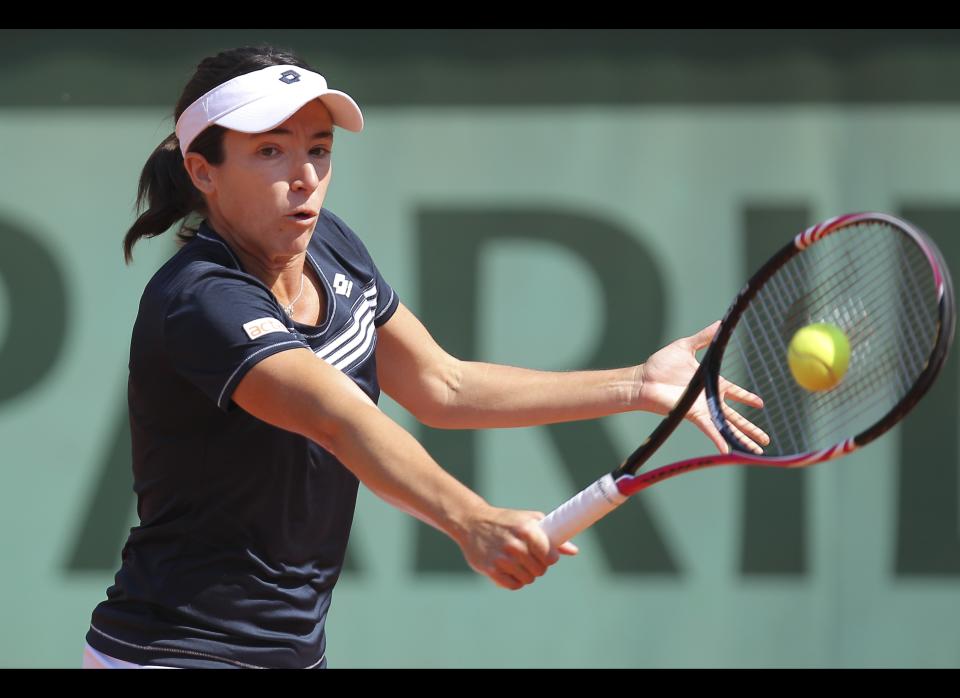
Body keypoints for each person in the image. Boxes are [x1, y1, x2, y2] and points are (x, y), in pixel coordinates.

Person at [82, 44, 768, 669]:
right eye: (270, 152)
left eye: (319, 149)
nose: (305, 177)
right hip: (174, 651)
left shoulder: (331, 246)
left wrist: (640, 383)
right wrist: (472, 520)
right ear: (202, 170)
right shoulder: (201, 300)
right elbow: (338, 420)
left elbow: (444, 385)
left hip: (286, 652)